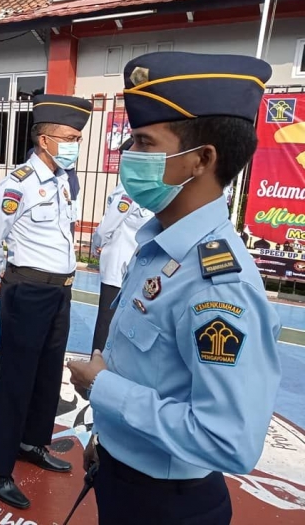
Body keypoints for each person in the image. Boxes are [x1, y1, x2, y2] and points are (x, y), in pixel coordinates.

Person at [68, 52, 282, 525]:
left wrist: (103, 389)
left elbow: (229, 439)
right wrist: (108, 438)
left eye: (145, 143)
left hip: (166, 506)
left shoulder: (219, 288)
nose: (129, 155)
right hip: (122, 475)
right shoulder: (161, 246)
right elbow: (151, 372)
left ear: (202, 159)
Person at [0, 93, 91, 509]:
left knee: (48, 373)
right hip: (26, 291)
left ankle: (33, 442)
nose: (76, 144)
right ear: (45, 139)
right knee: (16, 379)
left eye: (79, 137)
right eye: (70, 137)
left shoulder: (62, 181)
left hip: (59, 290)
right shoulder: (17, 184)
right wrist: (2, 280)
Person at [89, 137, 153, 352]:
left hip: (118, 264)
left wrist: (96, 244)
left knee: (106, 320)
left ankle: (97, 365)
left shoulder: (128, 188)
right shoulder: (149, 187)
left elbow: (106, 227)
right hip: (134, 265)